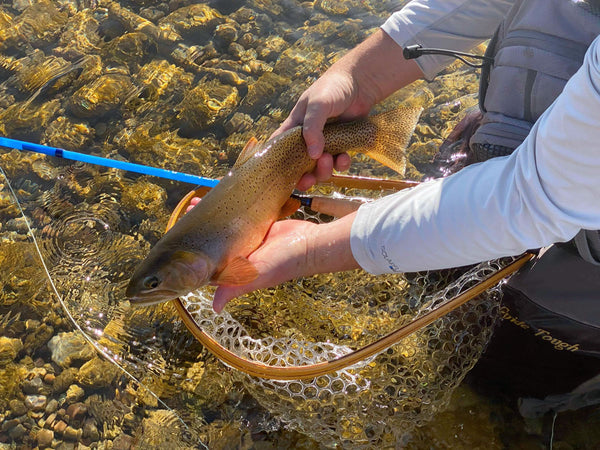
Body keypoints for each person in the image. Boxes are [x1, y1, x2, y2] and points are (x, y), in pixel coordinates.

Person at [192, 0, 600, 409]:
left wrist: (310, 250)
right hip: (527, 150)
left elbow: (530, 198)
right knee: (442, 271)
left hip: (578, 274)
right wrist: (357, 77)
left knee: (507, 378)